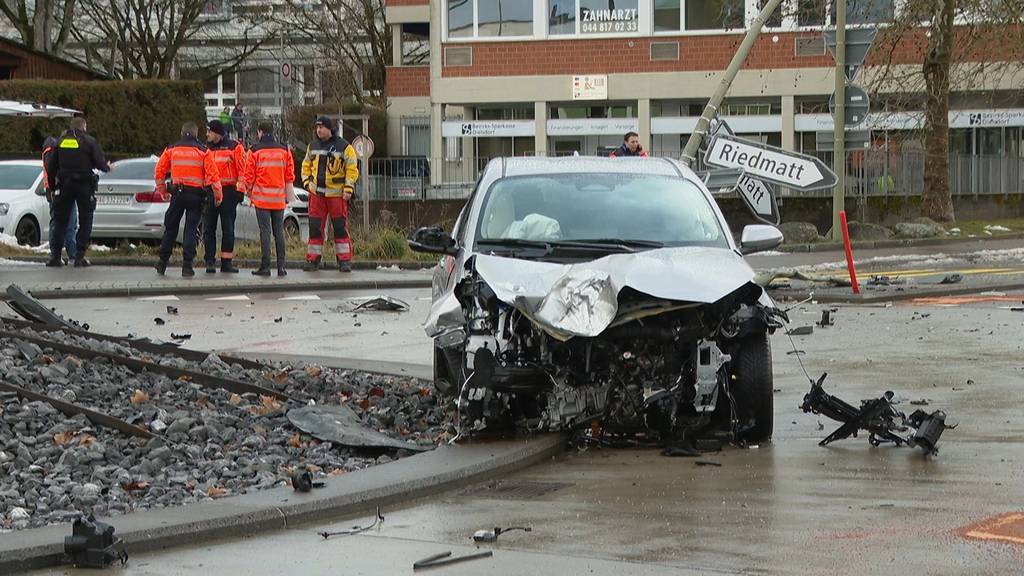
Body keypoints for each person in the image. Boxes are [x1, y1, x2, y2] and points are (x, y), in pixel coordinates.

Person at [153, 122, 222, 277]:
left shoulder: (171, 149)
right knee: (191, 229)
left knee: (170, 228)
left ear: (181, 132)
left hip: (177, 193)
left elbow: (159, 170)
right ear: (196, 134)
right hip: (196, 195)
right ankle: (187, 266)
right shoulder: (204, 151)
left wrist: (162, 190)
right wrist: (218, 196)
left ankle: (162, 263)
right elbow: (213, 175)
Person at [44, 117, 110, 268]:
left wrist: (53, 187)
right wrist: (107, 167)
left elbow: (50, 167)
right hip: (84, 186)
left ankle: (55, 257)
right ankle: (79, 257)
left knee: (60, 221)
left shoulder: (60, 142)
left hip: (64, 186)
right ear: (84, 127)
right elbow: (100, 163)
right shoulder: (89, 142)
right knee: (86, 220)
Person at [300, 116, 359, 272]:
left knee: (340, 228)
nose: (318, 130)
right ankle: (313, 260)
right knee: (315, 228)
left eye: (322, 127)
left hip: (337, 195)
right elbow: (306, 165)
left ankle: (344, 261)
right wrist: (307, 184)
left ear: (330, 129)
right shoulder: (312, 146)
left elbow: (352, 169)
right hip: (317, 195)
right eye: (317, 127)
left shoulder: (345, 147)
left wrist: (348, 189)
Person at [242, 121, 293, 277]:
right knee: (279, 231)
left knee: (265, 231)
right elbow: (289, 175)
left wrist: (248, 191)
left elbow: (248, 175)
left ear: (260, 132)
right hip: (278, 199)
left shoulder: (255, 151)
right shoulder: (284, 150)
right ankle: (281, 267)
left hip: (262, 199)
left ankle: (265, 267)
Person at [202, 120, 246, 273]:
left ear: (218, 133)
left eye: (209, 131)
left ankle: (226, 262)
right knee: (208, 229)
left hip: (228, 192)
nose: (207, 134)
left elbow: (242, 170)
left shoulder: (234, 147)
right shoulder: (206, 149)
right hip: (210, 192)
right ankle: (209, 261)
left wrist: (240, 191)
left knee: (228, 229)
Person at [41, 136, 77, 264]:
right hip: (61, 190)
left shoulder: (48, 150)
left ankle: (55, 254)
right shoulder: (56, 151)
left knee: (55, 223)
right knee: (70, 223)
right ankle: (72, 255)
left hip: (52, 190)